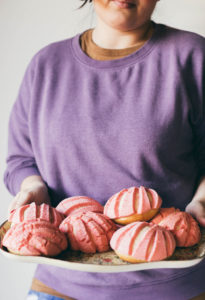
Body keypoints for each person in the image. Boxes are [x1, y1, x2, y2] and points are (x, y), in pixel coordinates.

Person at [4, 0, 205, 299]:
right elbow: (21, 159)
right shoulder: (46, 65)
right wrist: (33, 188)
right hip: (60, 284)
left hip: (172, 286)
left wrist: (201, 202)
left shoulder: (191, 55)